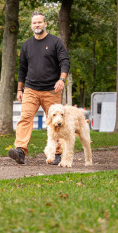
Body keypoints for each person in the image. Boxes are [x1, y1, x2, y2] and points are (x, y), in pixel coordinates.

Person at [8, 11, 70, 165]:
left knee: (56, 122)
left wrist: (62, 79)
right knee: (25, 118)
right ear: (31, 26)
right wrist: (19, 90)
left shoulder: (55, 42)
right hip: (31, 89)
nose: (37, 25)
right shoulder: (27, 45)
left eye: (39, 22)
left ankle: (57, 153)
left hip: (51, 90)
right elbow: (22, 69)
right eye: (34, 23)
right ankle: (20, 151)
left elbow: (65, 61)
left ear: (45, 24)